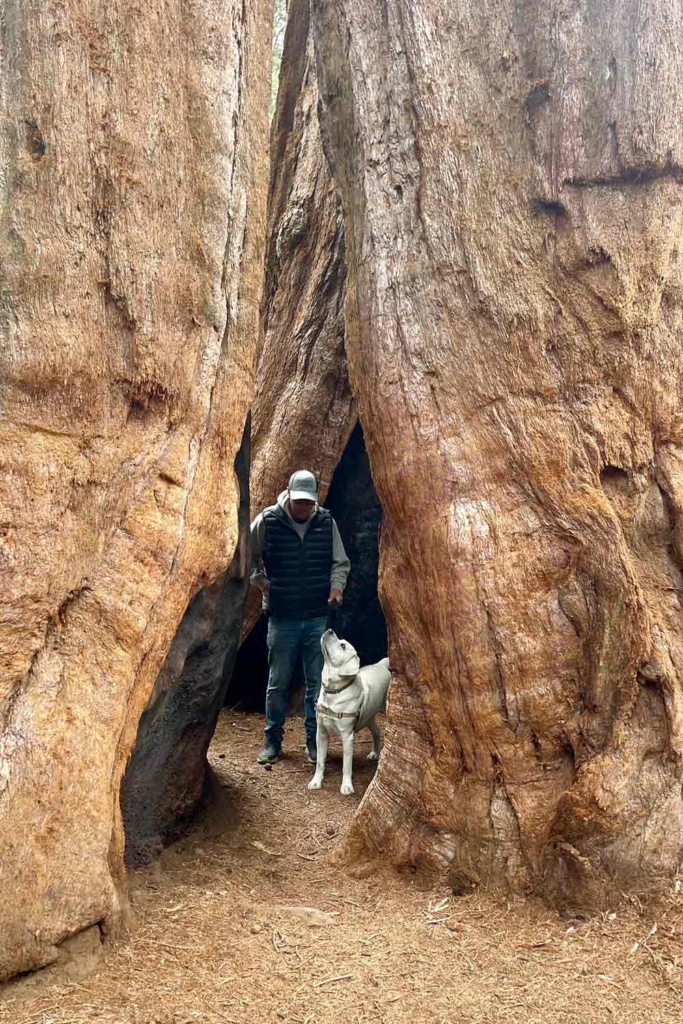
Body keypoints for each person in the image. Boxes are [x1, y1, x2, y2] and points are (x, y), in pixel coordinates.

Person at [250, 469, 350, 765]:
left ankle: (313, 742)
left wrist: (336, 586)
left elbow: (340, 562)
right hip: (283, 618)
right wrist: (261, 581)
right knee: (277, 683)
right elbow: (247, 554)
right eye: (299, 502)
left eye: (309, 502)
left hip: (317, 617)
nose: (304, 507)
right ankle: (272, 741)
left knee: (316, 685)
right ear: (289, 495)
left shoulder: (325, 521)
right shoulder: (268, 520)